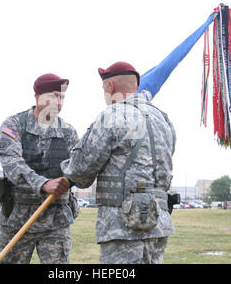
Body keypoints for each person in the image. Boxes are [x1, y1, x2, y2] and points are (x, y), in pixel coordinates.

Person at [61, 61, 176, 264]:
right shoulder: (163, 119)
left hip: (122, 226)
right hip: (158, 222)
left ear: (110, 86)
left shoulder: (111, 116)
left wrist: (65, 172)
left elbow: (81, 171)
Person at [0, 73, 79, 264]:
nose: (58, 101)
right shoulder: (14, 125)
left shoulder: (69, 132)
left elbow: (79, 166)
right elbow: (12, 163)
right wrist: (43, 184)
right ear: (37, 97)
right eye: (53, 95)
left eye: (62, 97)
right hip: (17, 219)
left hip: (55, 222)